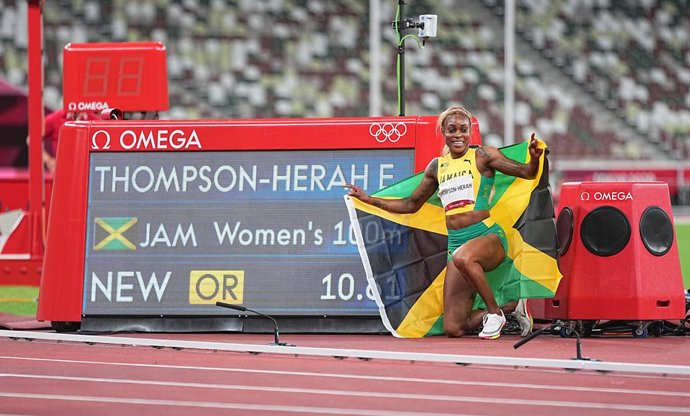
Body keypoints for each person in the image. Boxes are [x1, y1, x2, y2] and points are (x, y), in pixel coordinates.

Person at [345, 106, 543, 339]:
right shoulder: (437, 167)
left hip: (487, 236)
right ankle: (510, 307)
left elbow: (527, 173)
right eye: (452, 130)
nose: (458, 134)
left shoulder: (483, 156)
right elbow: (410, 204)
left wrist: (533, 159)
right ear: (443, 132)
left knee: (463, 257)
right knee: (454, 327)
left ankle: (494, 314)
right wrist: (369, 199)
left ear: (470, 132)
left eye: (463, 129)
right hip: (456, 244)